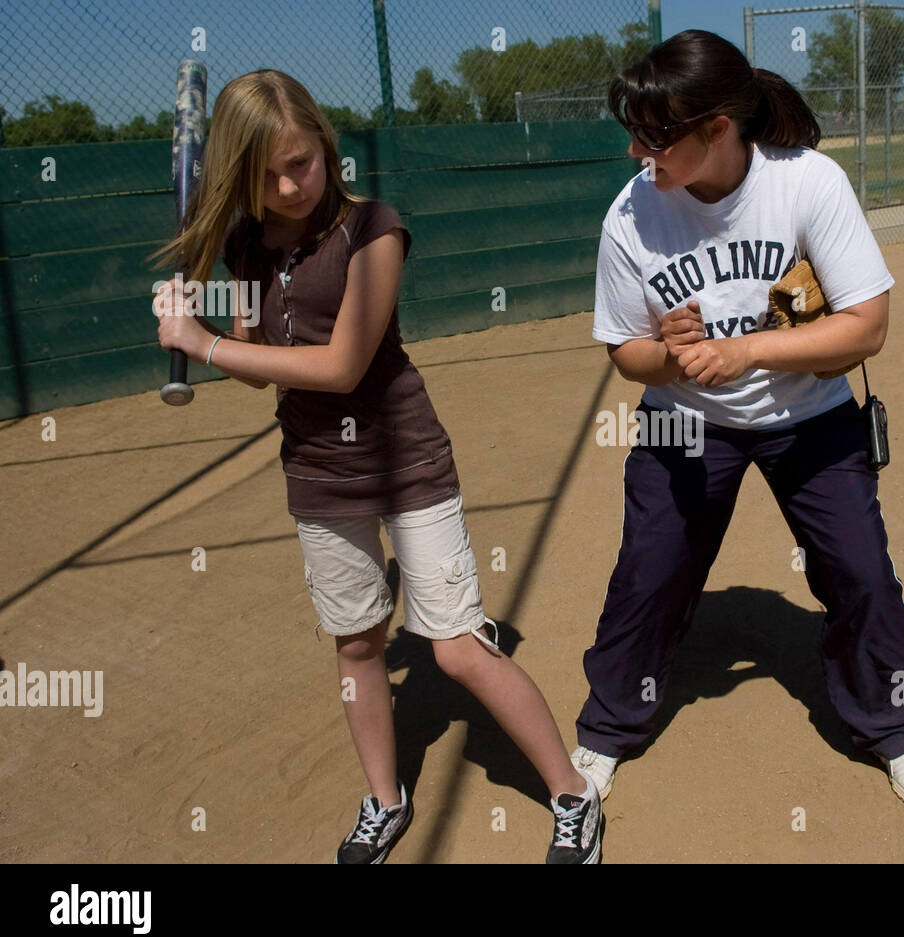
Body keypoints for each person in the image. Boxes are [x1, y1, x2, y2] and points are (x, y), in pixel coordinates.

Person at [153, 70, 601, 863]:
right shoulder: (246, 243)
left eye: (304, 163)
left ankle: (573, 791)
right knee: (358, 643)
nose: (291, 185)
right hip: (319, 470)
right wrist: (200, 326)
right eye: (267, 174)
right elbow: (260, 365)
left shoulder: (375, 230)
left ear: (326, 147)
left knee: (458, 646)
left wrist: (204, 344)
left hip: (404, 458)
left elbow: (345, 365)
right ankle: (385, 801)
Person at [570, 30, 904, 811]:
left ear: (718, 129)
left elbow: (866, 326)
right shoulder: (631, 215)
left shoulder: (806, 183)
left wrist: (750, 354)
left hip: (806, 415)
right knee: (648, 575)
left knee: (861, 572)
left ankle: (892, 726)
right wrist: (672, 358)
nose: (640, 152)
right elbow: (626, 355)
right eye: (633, 132)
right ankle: (608, 728)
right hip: (687, 419)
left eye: (656, 135)